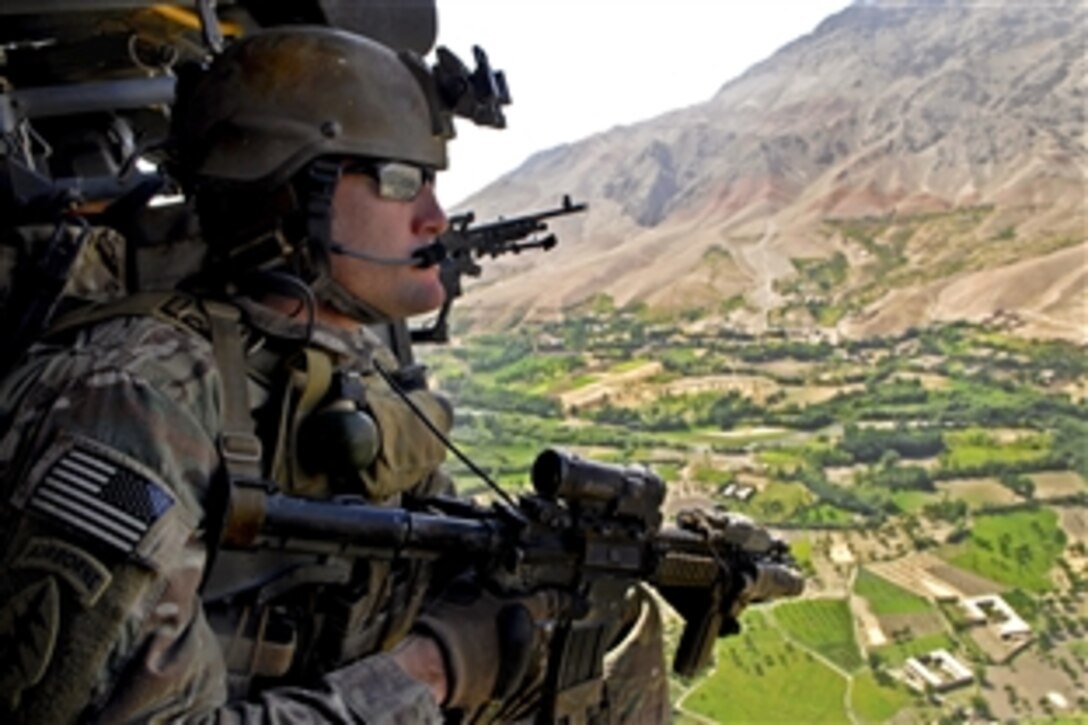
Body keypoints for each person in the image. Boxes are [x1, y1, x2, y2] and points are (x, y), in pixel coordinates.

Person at [0, 25, 669, 723]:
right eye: (400, 180)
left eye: (433, 182)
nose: (436, 218)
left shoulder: (325, 365)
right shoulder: (135, 400)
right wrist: (432, 671)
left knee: (594, 630)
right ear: (287, 194)